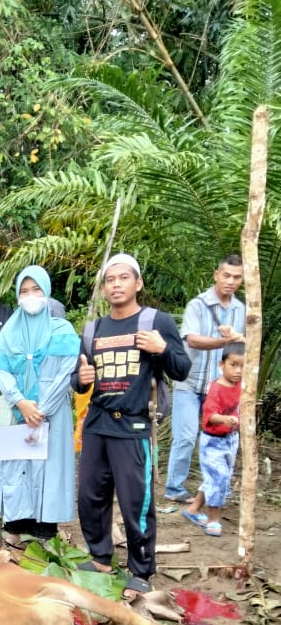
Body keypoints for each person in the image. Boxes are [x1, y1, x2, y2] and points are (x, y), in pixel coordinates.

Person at [71, 253, 190, 596]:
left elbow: (182, 369)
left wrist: (162, 348)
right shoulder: (93, 329)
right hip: (97, 424)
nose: (116, 285)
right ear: (104, 288)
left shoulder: (156, 321)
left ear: (138, 283)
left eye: (123, 278)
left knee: (136, 501)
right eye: (110, 280)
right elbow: (79, 380)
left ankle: (141, 569)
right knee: (90, 496)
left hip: (133, 427)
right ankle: (100, 558)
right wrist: (80, 379)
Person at [0, 266, 81, 542]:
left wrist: (41, 409)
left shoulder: (62, 329)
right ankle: (14, 529)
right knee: (15, 465)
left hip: (51, 412)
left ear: (46, 292)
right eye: (24, 291)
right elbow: (0, 368)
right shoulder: (9, 330)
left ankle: (45, 532)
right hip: (14, 409)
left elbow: (66, 371)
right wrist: (20, 402)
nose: (30, 296)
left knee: (48, 467)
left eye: (36, 289)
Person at [164, 254, 245, 502]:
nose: (230, 281)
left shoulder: (241, 310)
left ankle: (216, 486)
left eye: (237, 277)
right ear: (216, 275)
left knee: (223, 436)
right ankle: (174, 488)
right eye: (226, 275)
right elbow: (191, 339)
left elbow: (241, 347)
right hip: (189, 383)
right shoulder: (197, 305)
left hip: (220, 388)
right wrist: (225, 341)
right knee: (186, 437)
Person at [182, 344, 244, 538]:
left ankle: (193, 508)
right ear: (221, 364)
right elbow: (210, 415)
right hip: (213, 442)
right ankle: (213, 519)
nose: (238, 371)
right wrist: (225, 419)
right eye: (233, 365)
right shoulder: (216, 388)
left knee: (218, 477)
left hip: (231, 439)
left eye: (243, 366)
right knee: (218, 478)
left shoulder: (242, 386)